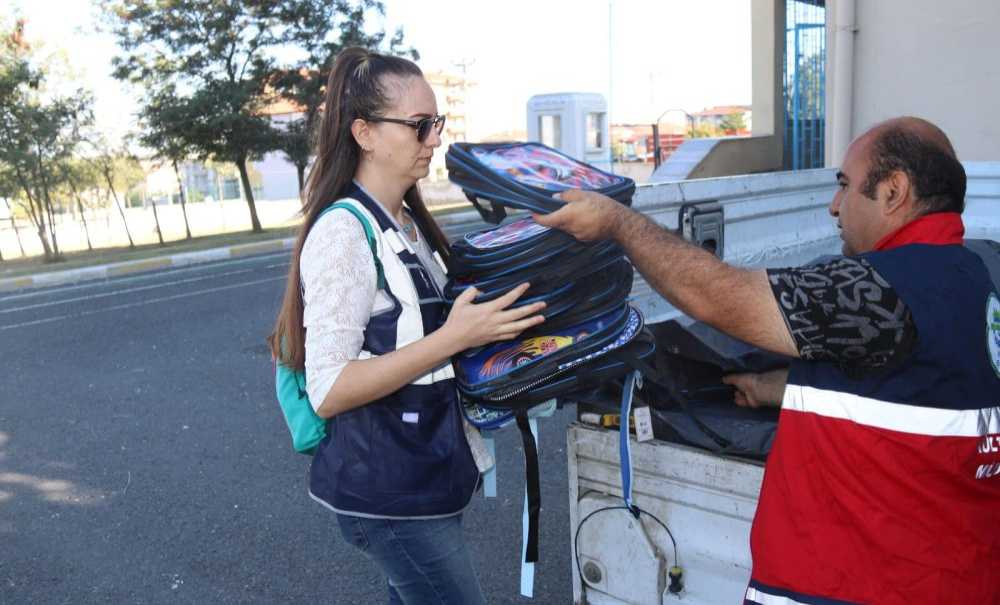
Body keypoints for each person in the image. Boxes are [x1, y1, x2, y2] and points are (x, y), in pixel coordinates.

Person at [534, 116, 1000, 605]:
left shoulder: (885, 291)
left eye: (845, 185)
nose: (834, 205)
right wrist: (771, 386)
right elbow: (911, 380)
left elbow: (717, 296)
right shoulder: (971, 278)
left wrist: (617, 222)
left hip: (858, 586)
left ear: (893, 191)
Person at [269, 47, 545, 605]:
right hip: (387, 495)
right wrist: (454, 338)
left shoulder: (407, 222)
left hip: (424, 477)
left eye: (436, 124)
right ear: (364, 133)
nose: (434, 140)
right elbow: (328, 389)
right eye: (419, 126)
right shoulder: (344, 234)